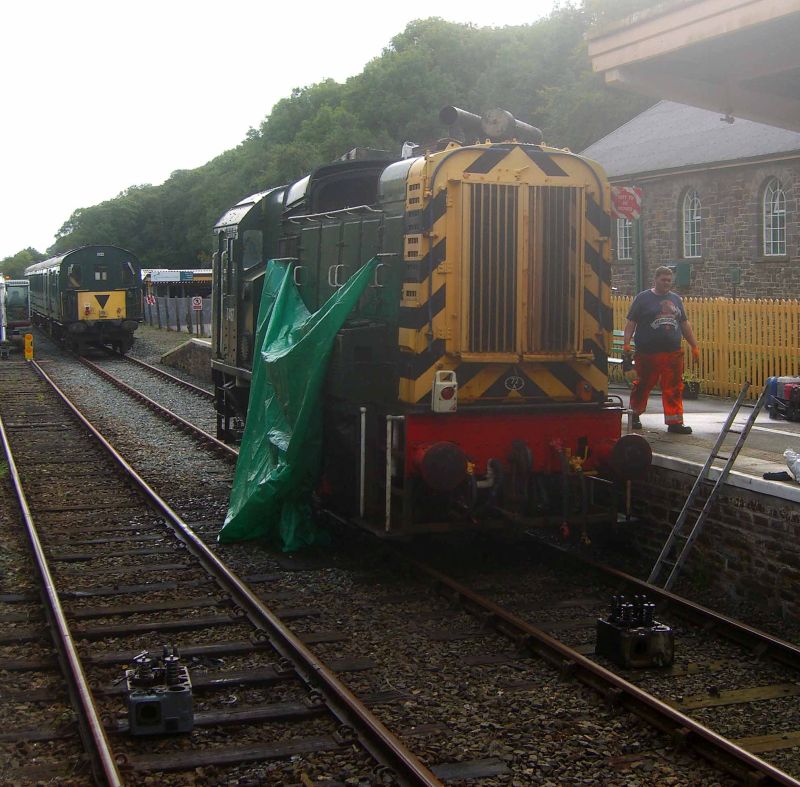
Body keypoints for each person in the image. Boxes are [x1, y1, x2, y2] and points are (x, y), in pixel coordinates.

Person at [622, 266, 700, 434]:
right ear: (655, 279)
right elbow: (631, 323)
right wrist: (626, 344)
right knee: (643, 384)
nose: (666, 283)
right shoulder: (643, 299)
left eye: (669, 281)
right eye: (663, 280)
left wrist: (694, 345)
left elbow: (684, 324)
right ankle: (634, 415)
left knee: (673, 386)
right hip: (647, 352)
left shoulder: (676, 299)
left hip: (672, 352)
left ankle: (675, 422)